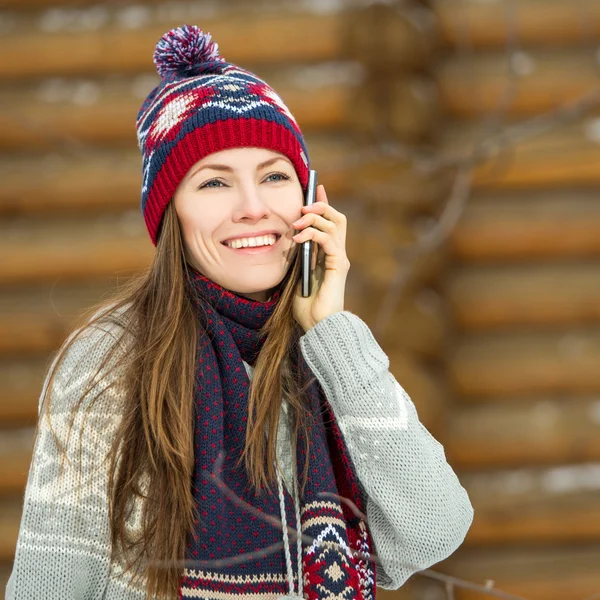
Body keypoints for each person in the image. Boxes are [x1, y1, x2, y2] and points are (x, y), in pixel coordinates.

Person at [6, 24, 474, 600]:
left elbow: (433, 529)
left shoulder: (328, 354)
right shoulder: (109, 360)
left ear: (308, 198)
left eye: (275, 176)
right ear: (170, 214)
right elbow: (49, 583)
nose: (253, 209)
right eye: (214, 183)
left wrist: (330, 329)